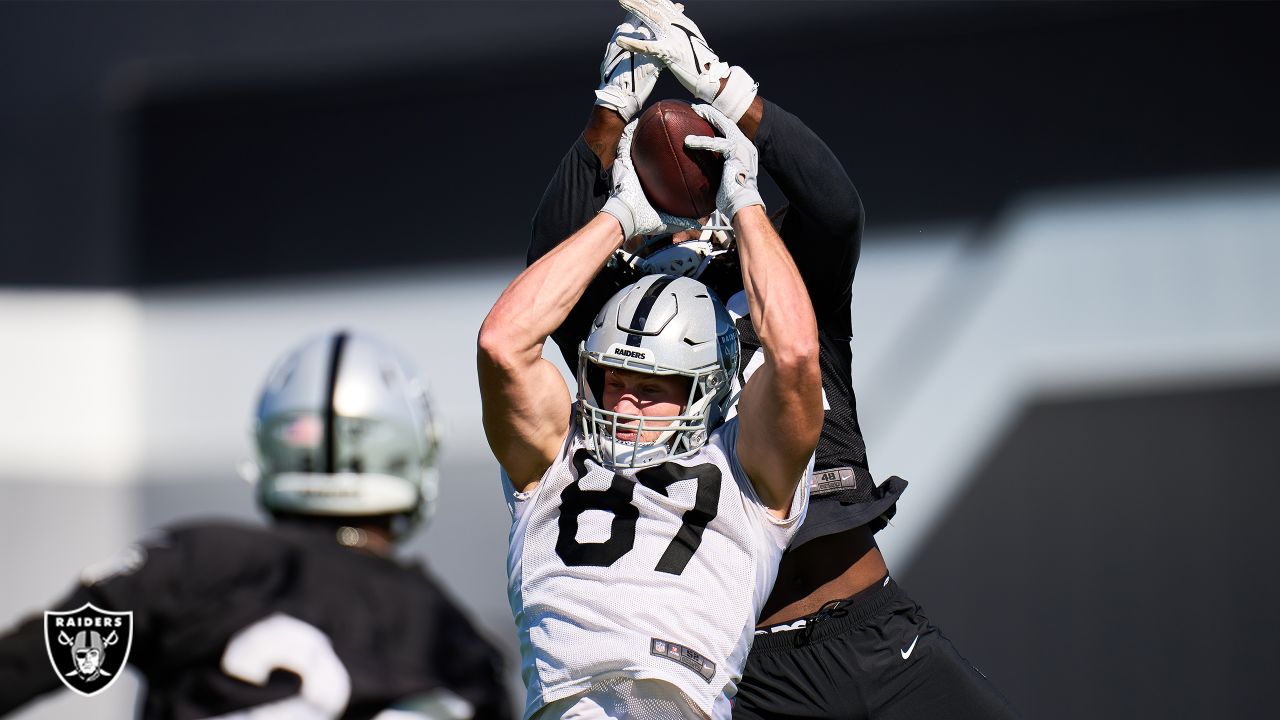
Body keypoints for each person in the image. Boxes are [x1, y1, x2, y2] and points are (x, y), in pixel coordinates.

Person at [528, 1, 1020, 717]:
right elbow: (548, 264)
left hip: (872, 629)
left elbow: (835, 208)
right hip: (742, 667)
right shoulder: (623, 321)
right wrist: (609, 119)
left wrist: (725, 90)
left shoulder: (782, 278)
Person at [477, 64, 824, 717]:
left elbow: (797, 353)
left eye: (654, 386)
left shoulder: (749, 471)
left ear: (710, 389)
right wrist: (619, 214)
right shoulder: (554, 453)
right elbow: (503, 342)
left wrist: (744, 200)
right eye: (615, 379)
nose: (628, 400)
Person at [0, 330, 512, 720]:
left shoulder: (193, 562)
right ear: (413, 453)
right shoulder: (453, 636)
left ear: (273, 445)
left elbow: (27, 665)